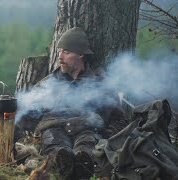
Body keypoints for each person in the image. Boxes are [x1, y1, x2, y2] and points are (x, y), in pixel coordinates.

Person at [15, 27, 128, 179]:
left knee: (85, 151)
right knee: (59, 150)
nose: (60, 56)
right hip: (54, 130)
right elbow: (25, 118)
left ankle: (82, 168)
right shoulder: (48, 84)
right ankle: (65, 165)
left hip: (88, 130)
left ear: (81, 55)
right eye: (59, 51)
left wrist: (106, 135)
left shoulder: (100, 84)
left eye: (66, 52)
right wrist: (23, 113)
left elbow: (119, 119)